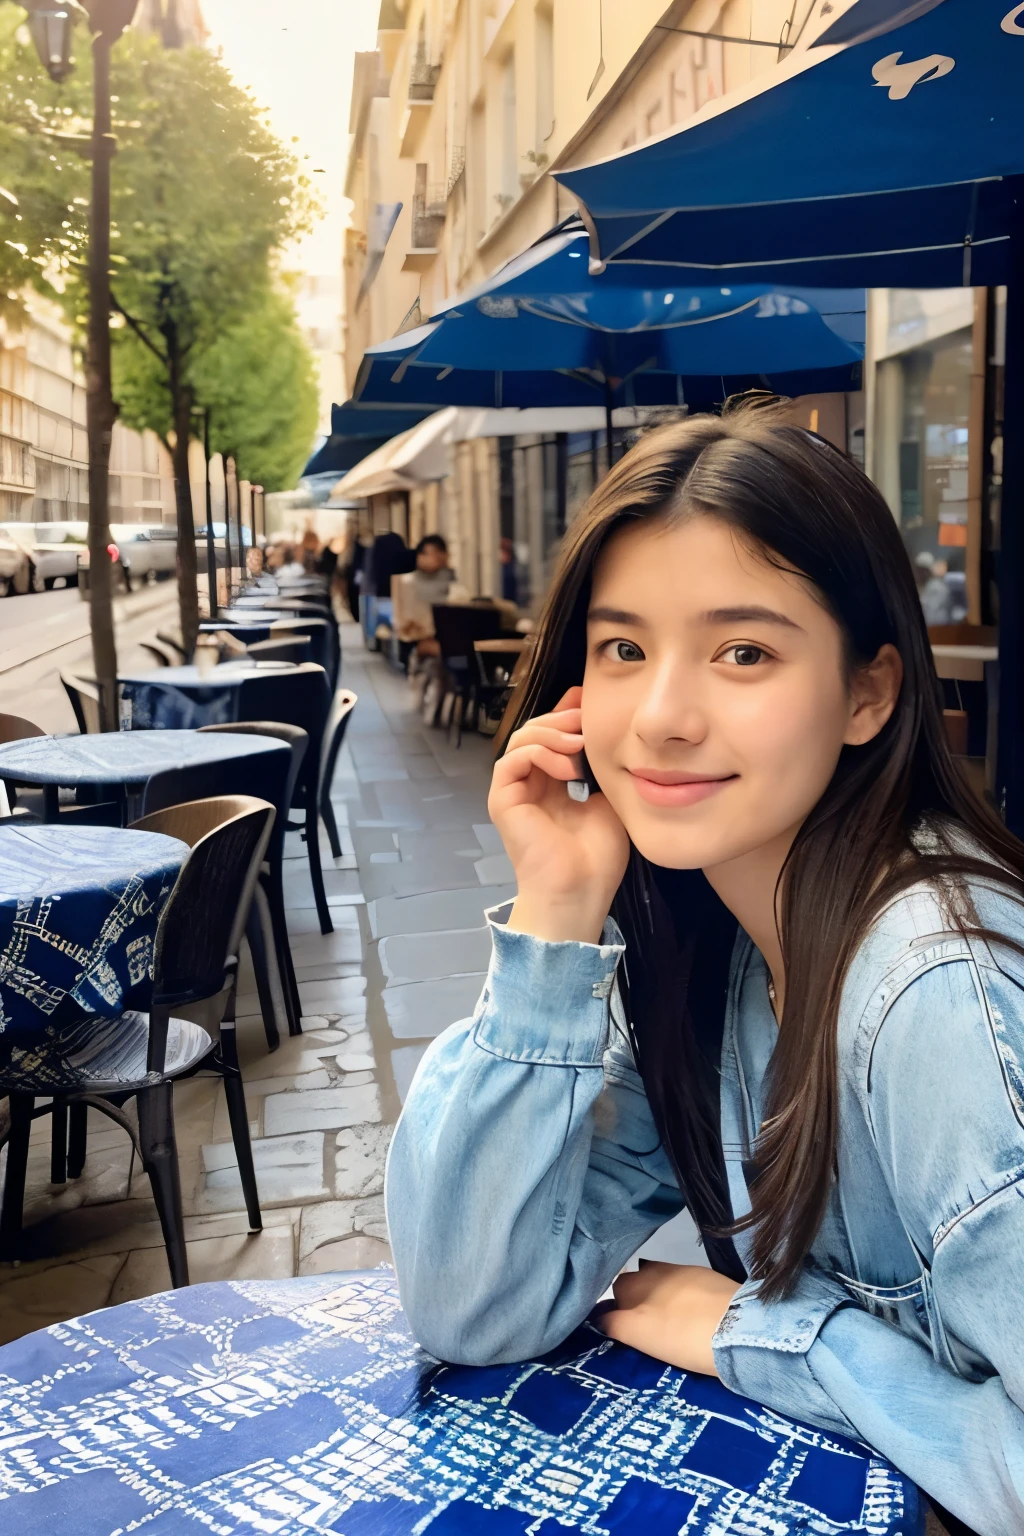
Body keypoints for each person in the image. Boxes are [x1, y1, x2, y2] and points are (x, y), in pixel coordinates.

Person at [386, 403, 1024, 1536]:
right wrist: (555, 915)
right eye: (623, 649)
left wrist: (771, 1337)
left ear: (868, 694)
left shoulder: (932, 994)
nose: (664, 717)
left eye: (743, 652)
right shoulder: (716, 949)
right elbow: (473, 1305)